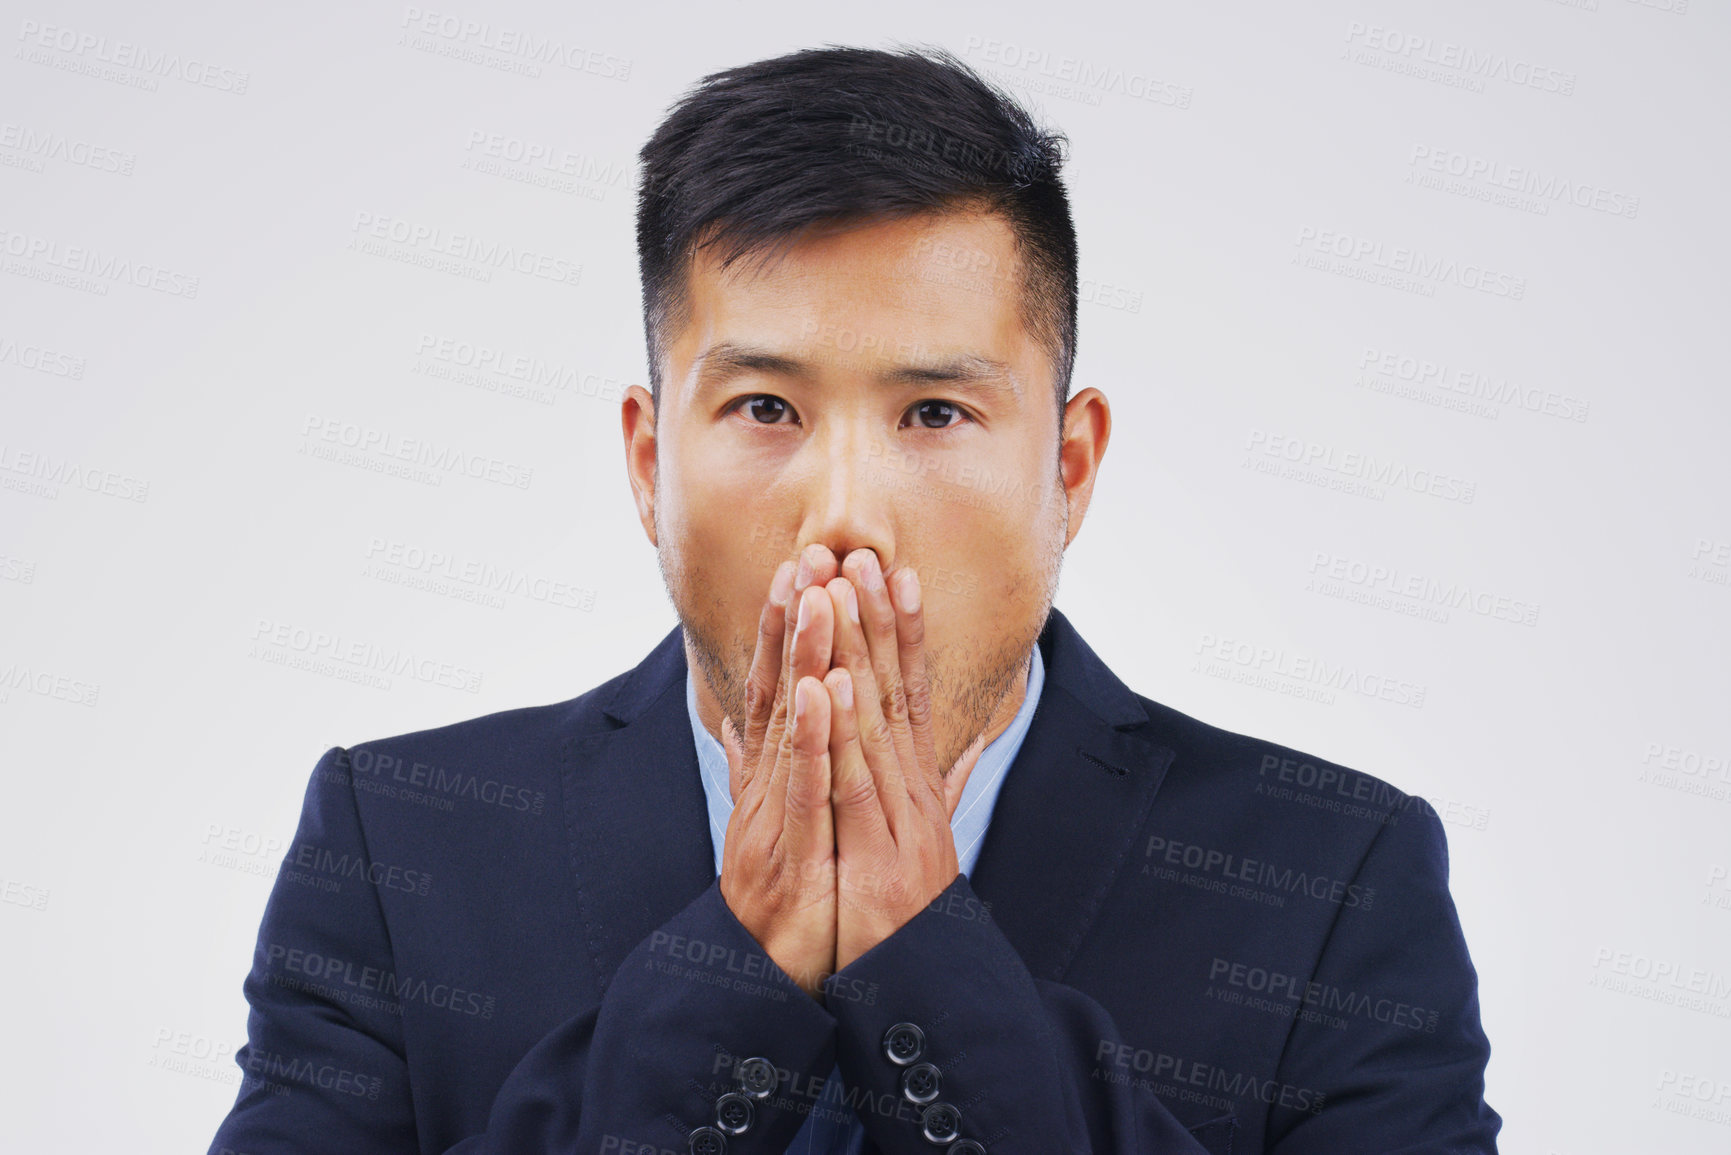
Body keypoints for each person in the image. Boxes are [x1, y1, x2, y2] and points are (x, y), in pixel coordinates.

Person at [209, 44, 1499, 1154]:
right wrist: (731, 977)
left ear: (1069, 465)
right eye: (765, 408)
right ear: (652, 462)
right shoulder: (402, 847)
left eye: (935, 412)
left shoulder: (1332, 881)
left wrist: (927, 967)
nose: (845, 515)